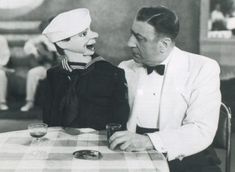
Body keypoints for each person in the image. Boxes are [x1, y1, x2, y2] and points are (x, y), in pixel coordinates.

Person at [109, 6, 221, 172]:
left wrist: (148, 141)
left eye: (139, 38)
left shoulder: (203, 68)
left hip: (186, 154)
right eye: (131, 33)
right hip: (135, 153)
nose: (129, 43)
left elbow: (201, 129)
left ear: (164, 44)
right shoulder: (125, 68)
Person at [42, 8, 129, 130]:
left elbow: (120, 116)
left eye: (90, 30)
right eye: (83, 34)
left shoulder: (112, 73)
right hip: (61, 140)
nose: (95, 34)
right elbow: (48, 114)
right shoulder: (53, 75)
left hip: (100, 141)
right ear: (62, 43)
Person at [20, 20, 58, 112]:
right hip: (46, 67)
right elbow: (28, 46)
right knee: (32, 72)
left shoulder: (63, 38)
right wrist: (36, 52)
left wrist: (50, 52)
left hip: (61, 67)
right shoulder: (41, 38)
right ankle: (30, 102)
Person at [0, 35, 14, 111]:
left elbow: (5, 56)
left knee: (1, 74)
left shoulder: (1, 39)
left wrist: (1, 66)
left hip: (0, 67)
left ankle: (1, 102)